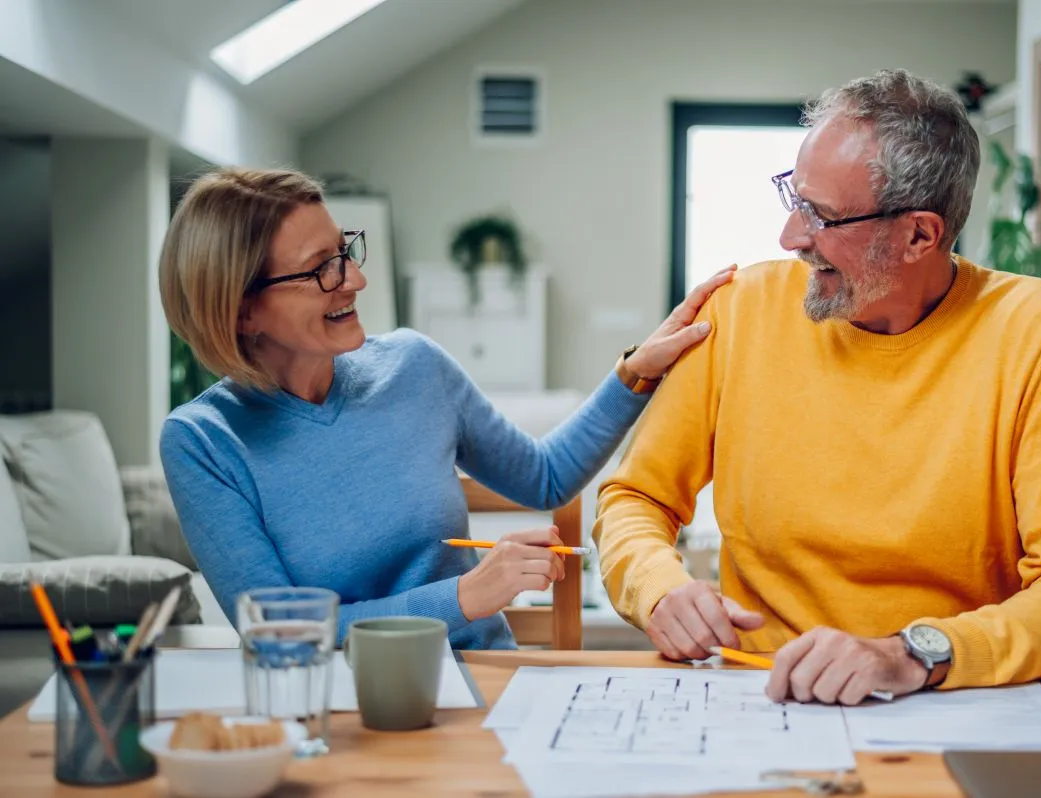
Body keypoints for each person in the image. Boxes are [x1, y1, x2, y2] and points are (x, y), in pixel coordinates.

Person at [592, 69, 1041, 705]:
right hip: (760, 695)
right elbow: (634, 497)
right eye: (794, 200)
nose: (791, 238)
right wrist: (658, 586)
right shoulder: (738, 310)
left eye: (821, 217)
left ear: (919, 235)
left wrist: (910, 654)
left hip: (951, 697)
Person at [157, 167, 735, 648]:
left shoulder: (415, 366)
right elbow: (279, 635)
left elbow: (545, 478)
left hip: (479, 680)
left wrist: (634, 372)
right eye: (321, 268)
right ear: (241, 311)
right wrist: (465, 596)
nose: (354, 278)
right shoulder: (202, 441)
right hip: (337, 710)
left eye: (346, 251)